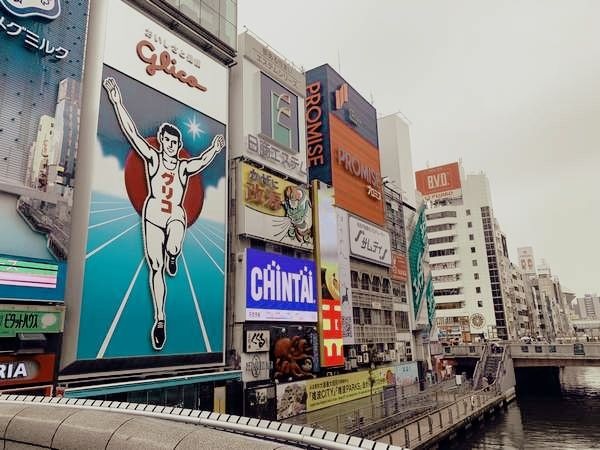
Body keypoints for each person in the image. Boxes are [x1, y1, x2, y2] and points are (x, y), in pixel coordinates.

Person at [103, 77, 225, 351]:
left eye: (174, 141)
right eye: (166, 140)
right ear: (161, 141)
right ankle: (160, 319)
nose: (169, 144)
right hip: (153, 214)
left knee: (176, 233)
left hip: (175, 214)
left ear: (178, 143)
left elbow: (201, 161)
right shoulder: (153, 158)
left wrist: (216, 148)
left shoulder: (182, 167)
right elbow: (132, 133)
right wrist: (116, 100)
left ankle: (174, 253)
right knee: (155, 268)